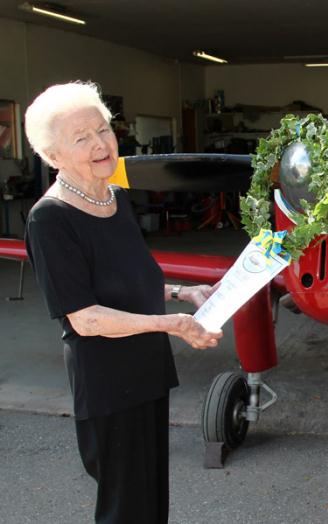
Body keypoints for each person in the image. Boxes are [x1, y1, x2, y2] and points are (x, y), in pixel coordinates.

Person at [24, 81, 223, 523]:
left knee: (151, 498)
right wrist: (171, 324)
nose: (100, 144)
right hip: (108, 384)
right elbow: (86, 318)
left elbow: (129, 277)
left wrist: (180, 292)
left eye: (103, 130)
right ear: (52, 156)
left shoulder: (113, 196)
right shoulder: (50, 218)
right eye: (82, 138)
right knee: (123, 508)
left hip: (146, 370)